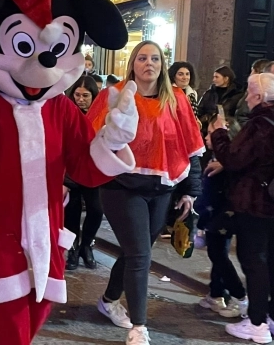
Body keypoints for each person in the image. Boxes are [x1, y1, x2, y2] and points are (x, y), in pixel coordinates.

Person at [0, 0, 137, 345]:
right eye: (24, 45)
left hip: (46, 243)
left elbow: (86, 169)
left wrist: (114, 139)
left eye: (55, 49)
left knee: (31, 323)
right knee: (10, 336)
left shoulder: (63, 110)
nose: (44, 63)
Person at [88, 41, 203, 345]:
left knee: (133, 251)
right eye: (142, 58)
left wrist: (191, 191)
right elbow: (93, 137)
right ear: (133, 64)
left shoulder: (175, 99)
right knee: (140, 254)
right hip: (121, 187)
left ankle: (110, 299)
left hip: (162, 189)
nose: (148, 63)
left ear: (163, 65)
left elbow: (191, 148)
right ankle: (138, 326)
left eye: (155, 58)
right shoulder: (114, 96)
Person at [211, 73, 274, 344]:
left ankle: (257, 323)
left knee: (254, 260)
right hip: (271, 200)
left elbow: (234, 158)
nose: (246, 98)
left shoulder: (260, 124)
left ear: (258, 97)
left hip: (256, 202)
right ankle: (268, 316)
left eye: (249, 94)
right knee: (269, 260)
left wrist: (219, 133)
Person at [195, 118, 247, 320]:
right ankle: (216, 294)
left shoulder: (226, 163)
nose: (208, 137)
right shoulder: (216, 158)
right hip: (216, 216)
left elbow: (211, 194)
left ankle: (239, 297)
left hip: (221, 216)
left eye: (211, 133)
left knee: (219, 255)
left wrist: (200, 222)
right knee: (218, 254)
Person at [64, 75, 105, 270]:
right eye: (77, 95)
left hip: (93, 171)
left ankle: (86, 245)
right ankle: (72, 248)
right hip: (71, 171)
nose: (80, 99)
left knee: (96, 210)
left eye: (85, 95)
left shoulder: (100, 114)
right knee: (71, 211)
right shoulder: (67, 113)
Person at [198, 66, 243, 136]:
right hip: (207, 130)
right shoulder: (209, 93)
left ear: (226, 78)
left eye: (217, 77)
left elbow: (238, 114)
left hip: (226, 132)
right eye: (213, 77)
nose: (213, 79)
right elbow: (199, 110)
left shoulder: (236, 95)